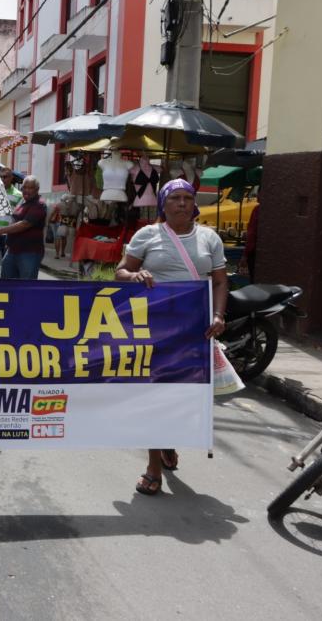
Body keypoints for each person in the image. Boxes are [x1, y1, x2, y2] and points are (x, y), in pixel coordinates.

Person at [115, 178, 228, 496]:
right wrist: (136, 275)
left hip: (194, 329)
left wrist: (219, 315)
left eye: (187, 198)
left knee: (182, 395)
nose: (181, 203)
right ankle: (153, 465)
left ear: (194, 204)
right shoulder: (147, 235)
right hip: (154, 328)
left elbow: (219, 281)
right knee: (154, 395)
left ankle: (167, 439)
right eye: (175, 198)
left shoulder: (209, 238)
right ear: (163, 204)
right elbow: (120, 271)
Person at [0, 175, 47, 280]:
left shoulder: (39, 204)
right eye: (24, 187)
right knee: (6, 282)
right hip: (12, 251)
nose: (26, 190)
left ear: (37, 189)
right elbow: (14, 220)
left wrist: (1, 231)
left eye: (30, 188)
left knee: (25, 287)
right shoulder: (22, 202)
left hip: (29, 252)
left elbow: (25, 224)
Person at [0, 164, 23, 278]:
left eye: (6, 177)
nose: (3, 179)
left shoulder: (18, 195)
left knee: (7, 263)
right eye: (1, 177)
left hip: (8, 234)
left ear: (11, 178)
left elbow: (19, 216)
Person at [239, 197, 260, 283]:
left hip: (254, 253)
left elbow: (252, 234)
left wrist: (245, 255)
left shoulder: (257, 210)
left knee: (254, 280)